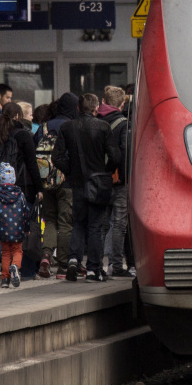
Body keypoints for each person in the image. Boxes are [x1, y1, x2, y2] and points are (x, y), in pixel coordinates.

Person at [52, 93, 114, 281]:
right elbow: (115, 156)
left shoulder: (67, 127)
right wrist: (106, 171)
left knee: (77, 223)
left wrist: (70, 171)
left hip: (76, 182)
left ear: (78, 108)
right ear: (96, 109)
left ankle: (73, 260)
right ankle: (93, 269)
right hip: (97, 182)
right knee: (95, 226)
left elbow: (57, 157)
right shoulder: (103, 127)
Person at [0, 102, 42, 279]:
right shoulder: (23, 135)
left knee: (0, 224)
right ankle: (27, 270)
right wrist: (39, 188)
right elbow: (32, 164)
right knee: (24, 227)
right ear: (17, 116)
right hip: (21, 188)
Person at [37, 93, 77, 278]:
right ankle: (62, 265)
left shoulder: (44, 126)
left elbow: (33, 151)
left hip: (46, 181)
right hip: (66, 181)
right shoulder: (72, 126)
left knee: (50, 220)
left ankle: (46, 256)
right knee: (65, 223)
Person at [98, 86, 131, 277]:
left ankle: (96, 265)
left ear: (104, 101)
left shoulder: (95, 120)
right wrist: (125, 179)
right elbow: (124, 153)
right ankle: (116, 265)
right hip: (118, 181)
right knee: (119, 223)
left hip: (98, 181)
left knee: (102, 224)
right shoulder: (123, 124)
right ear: (122, 103)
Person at [0, 161, 32, 288]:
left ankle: (4, 279)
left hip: (2, 230)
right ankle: (15, 266)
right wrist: (27, 229)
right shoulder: (20, 195)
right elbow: (26, 213)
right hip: (17, 229)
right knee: (17, 251)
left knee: (5, 253)